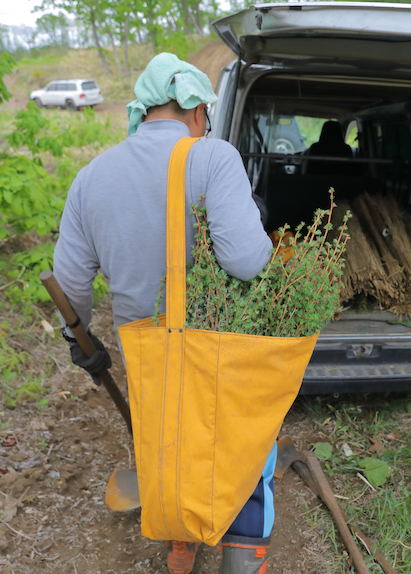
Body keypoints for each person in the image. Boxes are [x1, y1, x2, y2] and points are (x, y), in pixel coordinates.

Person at [53, 53, 275, 574]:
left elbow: (69, 285)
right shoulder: (211, 158)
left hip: (143, 342)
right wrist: (257, 227)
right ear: (196, 109)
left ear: (145, 110)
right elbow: (244, 261)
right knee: (238, 440)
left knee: (164, 439)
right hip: (215, 337)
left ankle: (180, 542)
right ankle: (241, 557)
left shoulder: (91, 176)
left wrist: (77, 338)